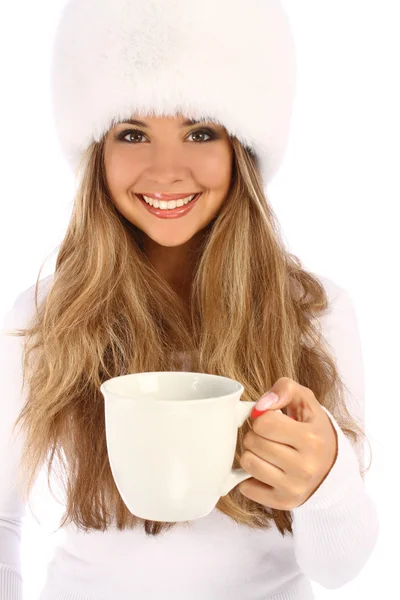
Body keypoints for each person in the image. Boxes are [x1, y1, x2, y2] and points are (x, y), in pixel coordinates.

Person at [0, 1, 379, 599]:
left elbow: (340, 568)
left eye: (200, 131)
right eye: (133, 133)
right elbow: (4, 522)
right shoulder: (43, 316)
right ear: (97, 151)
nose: (165, 169)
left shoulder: (315, 311)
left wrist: (326, 481)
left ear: (242, 150)